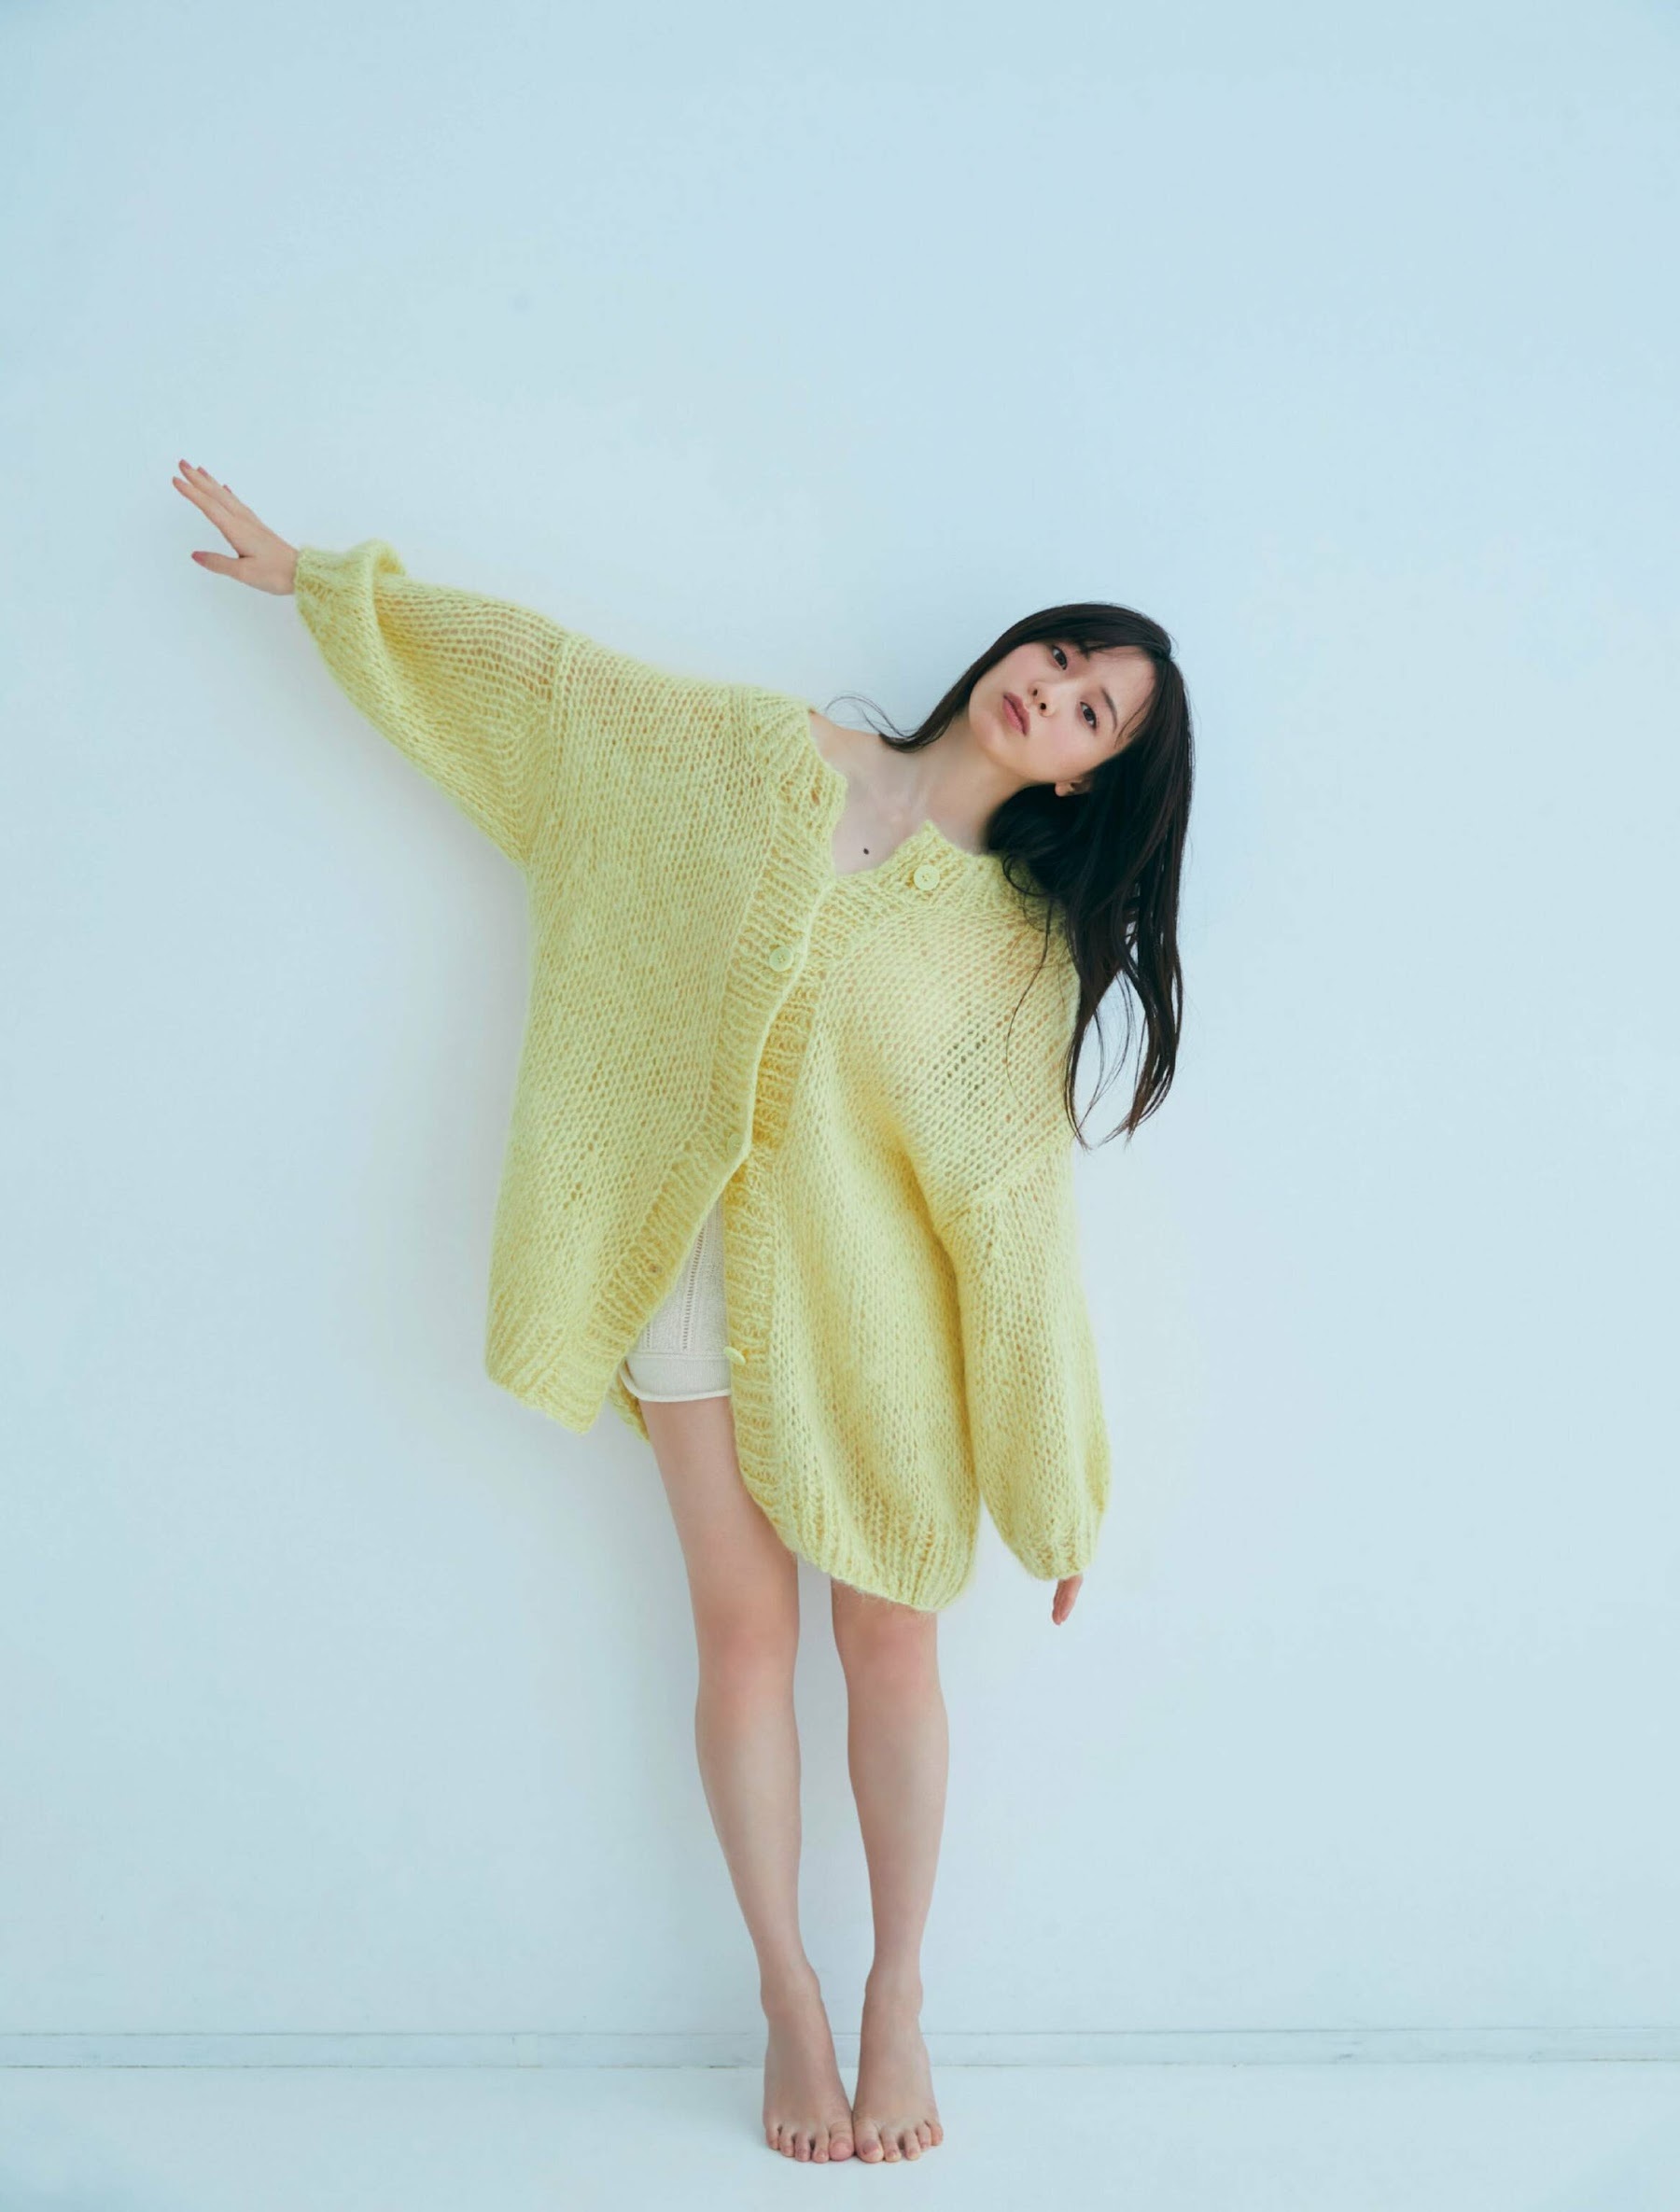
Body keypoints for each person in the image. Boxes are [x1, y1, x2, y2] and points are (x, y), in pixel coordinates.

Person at [171, 458, 1194, 2163]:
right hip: (698, 1266)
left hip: (880, 1319)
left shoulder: (1017, 950)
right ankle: (788, 1994)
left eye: (1093, 709)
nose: (1054, 690)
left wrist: (1055, 1477)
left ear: (1088, 772)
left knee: (893, 1643)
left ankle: (898, 1995)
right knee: (740, 1634)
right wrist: (333, 587)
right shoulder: (764, 756)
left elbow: (1015, 1217)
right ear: (1016, 645)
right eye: (1064, 653)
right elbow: (561, 697)